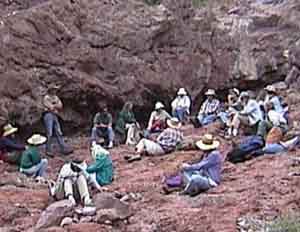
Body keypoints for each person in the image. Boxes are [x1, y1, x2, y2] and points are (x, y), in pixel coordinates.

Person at [43, 85, 73, 157]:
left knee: (59, 132)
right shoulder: (46, 97)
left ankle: (64, 148)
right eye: (53, 89)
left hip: (55, 115)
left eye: (55, 89)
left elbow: (60, 106)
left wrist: (54, 105)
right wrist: (55, 105)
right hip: (48, 115)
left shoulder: (55, 97)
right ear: (50, 90)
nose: (55, 91)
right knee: (49, 133)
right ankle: (48, 150)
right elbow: (51, 107)